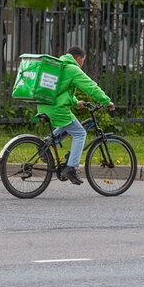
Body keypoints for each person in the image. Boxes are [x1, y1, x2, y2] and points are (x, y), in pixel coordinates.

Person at [37, 46, 115, 185]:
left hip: (44, 105)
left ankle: (46, 145)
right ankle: (71, 168)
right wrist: (106, 101)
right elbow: (90, 87)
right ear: (78, 58)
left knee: (69, 125)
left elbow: (60, 90)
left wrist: (75, 102)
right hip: (57, 109)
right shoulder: (73, 69)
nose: (82, 64)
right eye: (83, 61)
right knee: (79, 133)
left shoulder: (60, 66)